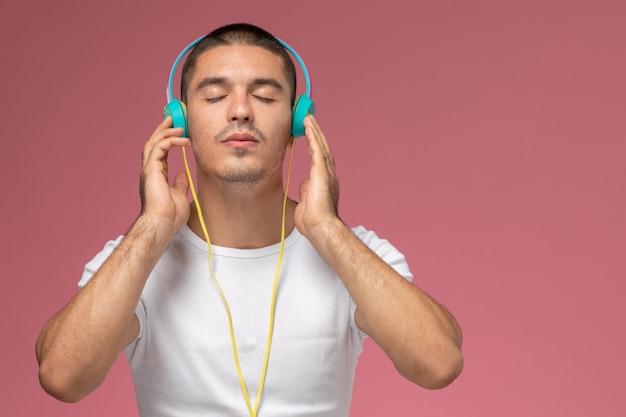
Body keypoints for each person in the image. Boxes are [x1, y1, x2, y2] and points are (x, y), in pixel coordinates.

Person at [36, 23, 463, 417]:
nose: (240, 111)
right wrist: (151, 227)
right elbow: (62, 378)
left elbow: (439, 363)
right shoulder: (136, 258)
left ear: (298, 120)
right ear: (180, 118)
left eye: (264, 96)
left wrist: (328, 228)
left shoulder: (352, 252)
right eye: (216, 96)